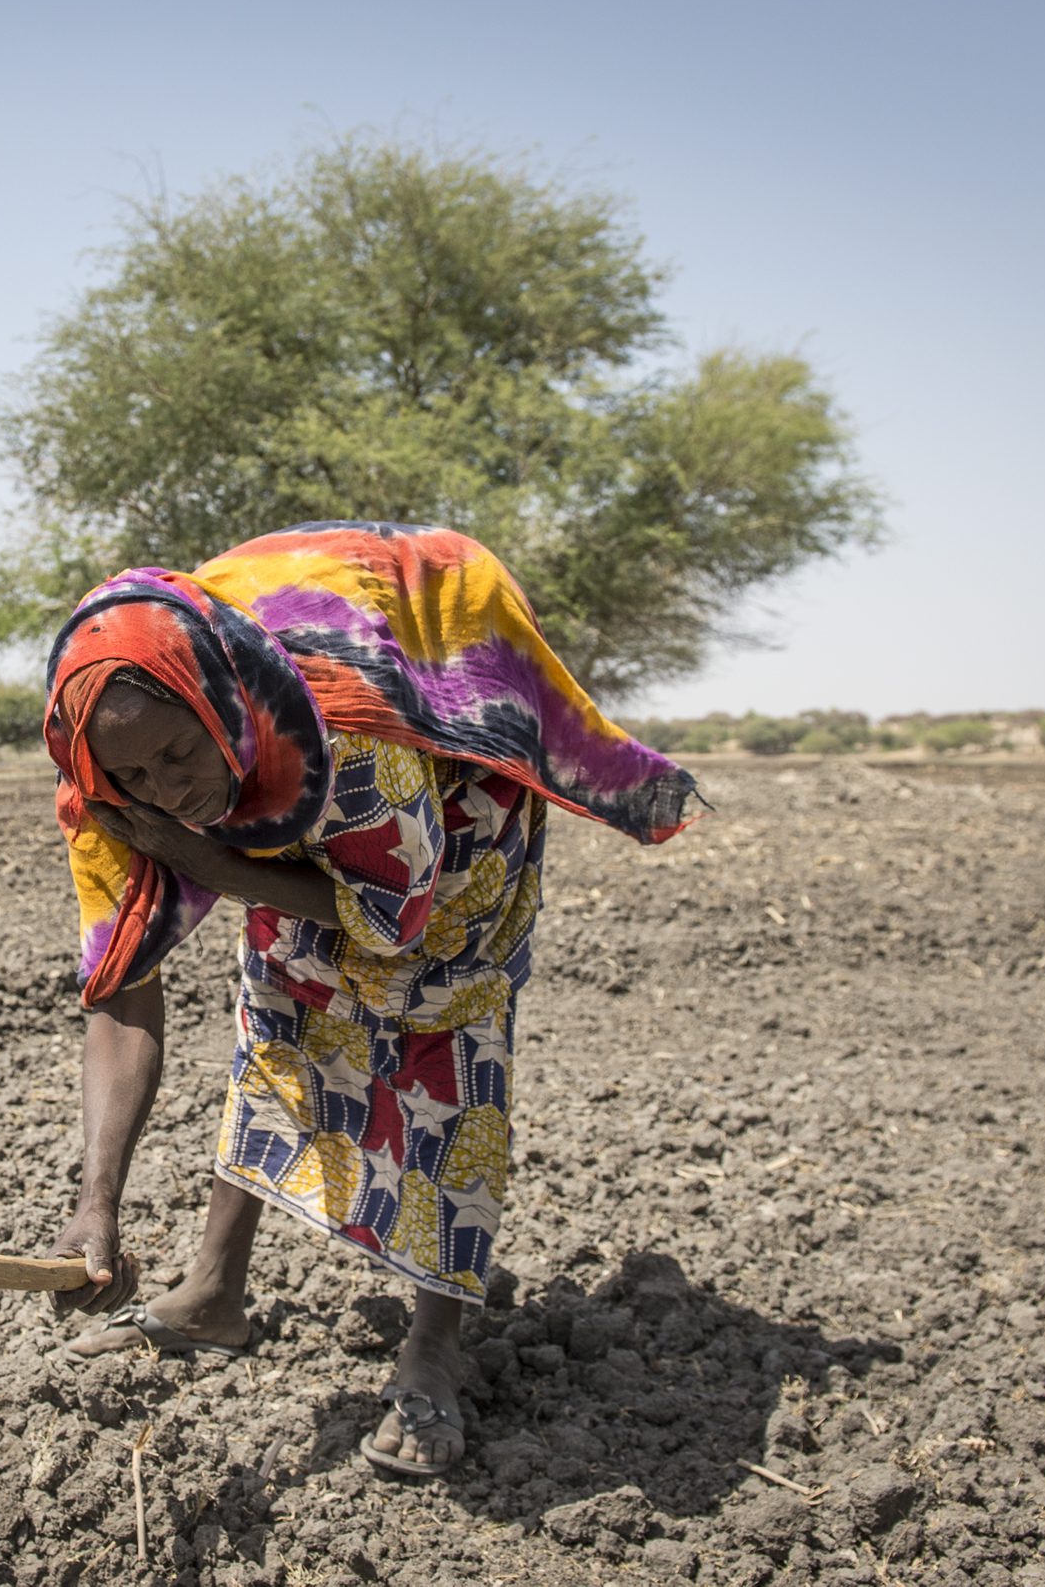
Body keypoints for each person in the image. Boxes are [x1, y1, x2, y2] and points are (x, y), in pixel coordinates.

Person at [39, 521, 702, 1477]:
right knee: (279, 1014)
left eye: (177, 755)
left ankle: (436, 1348)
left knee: (443, 1042)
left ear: (216, 701)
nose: (164, 788)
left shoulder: (352, 738)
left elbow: (397, 916)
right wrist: (97, 1199)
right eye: (135, 773)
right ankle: (213, 1295)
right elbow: (122, 993)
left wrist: (204, 860)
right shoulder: (107, 790)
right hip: (278, 813)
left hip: (449, 823)